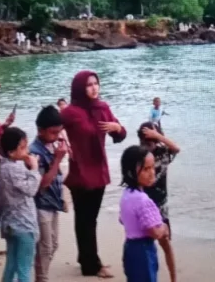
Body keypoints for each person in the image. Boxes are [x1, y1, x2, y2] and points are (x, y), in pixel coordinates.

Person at [60, 70, 127, 278]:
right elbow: (50, 128)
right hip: (80, 172)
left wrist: (117, 127)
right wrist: (62, 141)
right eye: (89, 85)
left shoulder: (102, 107)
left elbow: (121, 135)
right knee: (84, 219)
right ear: (80, 88)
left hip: (99, 170)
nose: (94, 88)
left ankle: (87, 259)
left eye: (96, 83)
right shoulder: (70, 112)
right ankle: (91, 265)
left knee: (90, 219)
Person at [29, 106, 69, 282]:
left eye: (59, 132)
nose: (57, 136)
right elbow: (42, 184)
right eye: (53, 132)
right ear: (40, 130)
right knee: (45, 247)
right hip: (41, 204)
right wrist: (57, 159)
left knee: (53, 244)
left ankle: (41, 274)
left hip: (52, 203)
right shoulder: (35, 152)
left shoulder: (51, 146)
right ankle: (41, 278)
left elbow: (57, 176)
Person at [0, 127, 41, 282]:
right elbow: (31, 189)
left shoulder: (1, 167)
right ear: (11, 152)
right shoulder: (14, 168)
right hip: (24, 223)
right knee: (24, 268)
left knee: (11, 265)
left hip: (9, 222)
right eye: (22, 148)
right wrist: (34, 168)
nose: (26, 151)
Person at [119, 145, 169, 282]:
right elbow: (154, 232)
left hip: (129, 247)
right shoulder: (143, 200)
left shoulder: (126, 195)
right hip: (143, 250)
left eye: (153, 167)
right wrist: (163, 228)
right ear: (131, 173)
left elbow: (122, 219)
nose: (152, 172)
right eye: (146, 169)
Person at [138, 123, 179, 282]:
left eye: (149, 143)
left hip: (161, 206)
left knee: (166, 244)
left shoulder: (163, 153)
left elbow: (176, 148)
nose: (146, 147)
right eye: (143, 143)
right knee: (143, 246)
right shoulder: (138, 156)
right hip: (144, 206)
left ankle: (173, 279)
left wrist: (158, 136)